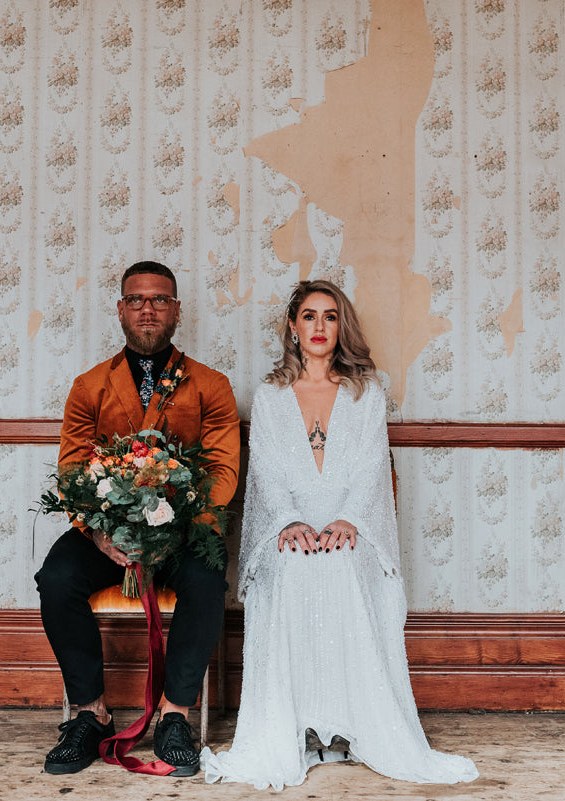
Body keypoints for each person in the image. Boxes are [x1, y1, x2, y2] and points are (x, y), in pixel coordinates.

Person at [200, 279, 478, 789]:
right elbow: (263, 475)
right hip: (290, 526)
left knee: (343, 563)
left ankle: (350, 725)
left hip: (353, 525)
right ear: (292, 326)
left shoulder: (365, 393)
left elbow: (373, 469)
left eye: (330, 317)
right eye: (309, 316)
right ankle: (294, 726)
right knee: (291, 566)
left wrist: (350, 519)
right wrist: (287, 523)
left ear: (341, 326)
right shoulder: (269, 396)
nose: (320, 327)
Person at [35, 261, 240, 776]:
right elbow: (74, 471)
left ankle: (175, 714)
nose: (148, 309)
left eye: (159, 300)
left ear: (176, 310)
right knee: (56, 577)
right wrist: (104, 536)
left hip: (184, 532)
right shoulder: (89, 386)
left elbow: (222, 471)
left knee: (207, 579)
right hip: (109, 533)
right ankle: (91, 713)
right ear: (121, 309)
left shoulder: (210, 385)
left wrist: (178, 526)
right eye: (137, 300)